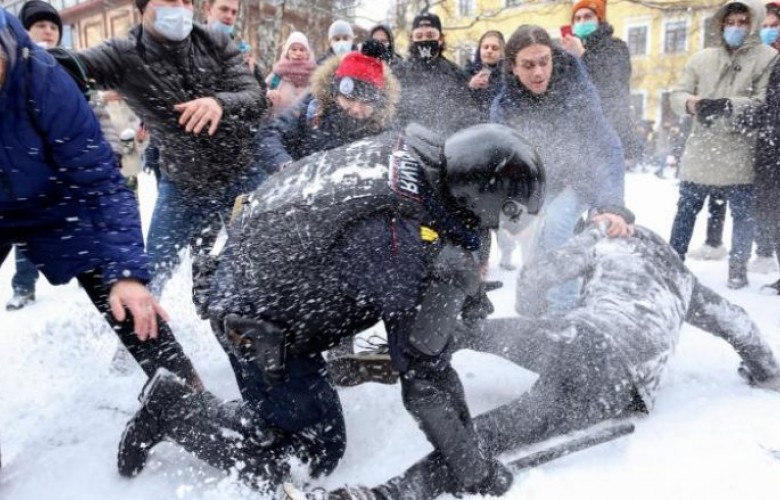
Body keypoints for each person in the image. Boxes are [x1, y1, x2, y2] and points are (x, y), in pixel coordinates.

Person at [115, 123, 546, 497]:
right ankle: (175, 410)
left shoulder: (410, 157)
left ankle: (257, 400)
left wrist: (464, 293)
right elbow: (425, 380)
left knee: (309, 410)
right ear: (478, 196)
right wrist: (474, 470)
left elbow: (459, 235)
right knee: (313, 451)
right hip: (257, 319)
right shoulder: (402, 239)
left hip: (259, 274)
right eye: (504, 215)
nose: (497, 230)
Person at [290, 219, 780, 500]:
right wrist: (764, 370)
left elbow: (539, 276)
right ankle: (390, 494)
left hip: (578, 338)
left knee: (465, 333)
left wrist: (587, 241)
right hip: (619, 386)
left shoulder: (612, 242)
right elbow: (742, 326)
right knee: (489, 436)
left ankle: (392, 355)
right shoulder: (685, 282)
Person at [0, 5, 201, 462]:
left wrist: (127, 271)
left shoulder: (44, 79)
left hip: (60, 203)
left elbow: (102, 183)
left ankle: (187, 394)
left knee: (124, 293)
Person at [76, 0, 267, 297]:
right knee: (151, 273)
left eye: (187, 1)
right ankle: (141, 337)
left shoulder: (214, 40)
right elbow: (69, 67)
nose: (180, 7)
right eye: (169, 0)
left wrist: (219, 103)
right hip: (183, 184)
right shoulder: (125, 53)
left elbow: (255, 96)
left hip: (241, 174)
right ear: (143, 6)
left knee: (276, 251)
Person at [490, 24, 629, 313]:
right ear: (513, 67)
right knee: (532, 240)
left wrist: (611, 205)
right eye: (528, 65)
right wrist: (514, 212)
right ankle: (534, 304)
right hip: (539, 183)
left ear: (553, 57)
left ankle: (562, 313)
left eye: (544, 61)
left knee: (555, 226)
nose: (538, 72)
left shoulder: (576, 90)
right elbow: (505, 163)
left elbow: (605, 145)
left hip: (580, 177)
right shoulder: (504, 106)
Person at [669, 0, 778, 289]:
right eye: (730, 22)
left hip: (739, 149)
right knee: (686, 209)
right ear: (721, 24)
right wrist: (692, 104)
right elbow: (677, 93)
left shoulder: (767, 58)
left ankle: (738, 268)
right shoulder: (702, 58)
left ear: (753, 23)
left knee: (742, 214)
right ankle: (672, 262)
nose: (736, 28)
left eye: (743, 22)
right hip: (701, 147)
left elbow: (763, 102)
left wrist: (728, 105)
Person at [256, 43, 400, 172]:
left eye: (366, 102)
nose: (356, 108)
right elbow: (270, 135)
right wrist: (288, 168)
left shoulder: (385, 129)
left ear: (378, 102)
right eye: (349, 98)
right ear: (335, 92)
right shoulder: (311, 108)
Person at [560, 0, 636, 163]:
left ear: (599, 19)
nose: (582, 22)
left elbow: (612, 81)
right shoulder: (570, 52)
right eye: (577, 18)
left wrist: (581, 54)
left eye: (588, 16)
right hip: (576, 138)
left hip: (608, 134)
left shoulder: (616, 47)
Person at [738, 31, 780, 293]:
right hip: (770, 152)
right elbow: (770, 106)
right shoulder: (772, 64)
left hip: (772, 145)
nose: (769, 30)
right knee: (772, 214)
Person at [394, 12, 481, 135]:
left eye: (430, 35)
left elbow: (467, 111)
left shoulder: (455, 72)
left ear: (440, 39)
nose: (424, 40)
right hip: (407, 143)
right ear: (412, 40)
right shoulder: (399, 72)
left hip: (446, 143)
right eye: (419, 36)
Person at [265, 31, 316, 118]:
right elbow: (261, 93)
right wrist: (268, 94)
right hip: (278, 126)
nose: (298, 53)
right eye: (294, 49)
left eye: (302, 50)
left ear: (307, 53)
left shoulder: (315, 76)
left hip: (305, 128)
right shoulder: (277, 75)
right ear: (287, 52)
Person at [465, 30, 506, 120]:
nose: (489, 51)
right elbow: (457, 102)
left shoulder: (507, 77)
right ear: (479, 50)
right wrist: (470, 86)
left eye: (494, 48)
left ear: (502, 53)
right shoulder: (466, 74)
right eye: (485, 47)